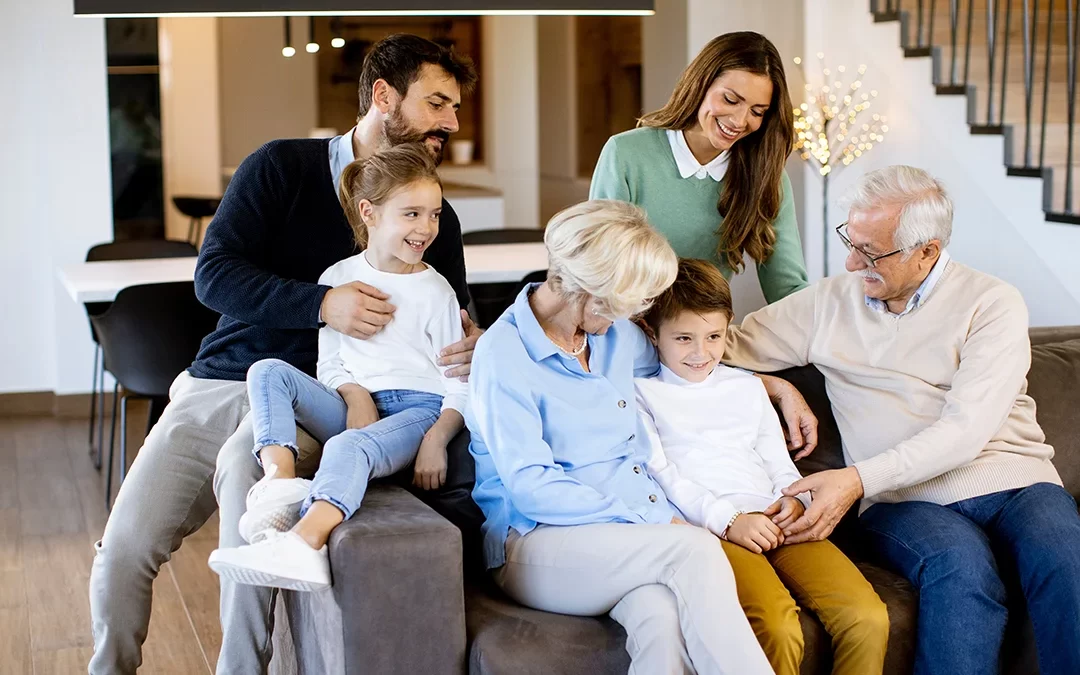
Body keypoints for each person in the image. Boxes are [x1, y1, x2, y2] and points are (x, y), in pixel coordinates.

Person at [88, 34, 481, 675]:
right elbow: (213, 276)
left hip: (323, 401)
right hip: (222, 377)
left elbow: (453, 322)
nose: (451, 123)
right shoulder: (280, 168)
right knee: (124, 547)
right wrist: (322, 304)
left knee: (249, 496)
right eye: (437, 103)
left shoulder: (434, 218)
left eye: (455, 109)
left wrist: (474, 345)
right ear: (383, 97)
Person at [722, 165, 1080, 675]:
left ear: (927, 252)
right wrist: (773, 384)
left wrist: (855, 479)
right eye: (851, 240)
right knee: (960, 568)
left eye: (870, 251)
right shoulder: (827, 303)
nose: (850, 262)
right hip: (904, 500)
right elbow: (712, 351)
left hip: (1014, 480)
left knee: (1067, 559)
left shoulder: (992, 302)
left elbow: (967, 430)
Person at [468, 199, 780, 675]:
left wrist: (772, 385)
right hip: (535, 542)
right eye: (627, 302)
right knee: (694, 549)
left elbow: (689, 362)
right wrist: (647, 519)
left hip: (624, 539)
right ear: (587, 289)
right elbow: (531, 488)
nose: (634, 316)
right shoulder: (503, 355)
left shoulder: (611, 336)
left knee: (662, 617)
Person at [207, 144, 466, 590]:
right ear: (369, 212)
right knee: (267, 371)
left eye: (435, 215)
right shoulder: (337, 277)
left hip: (418, 411)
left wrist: (437, 437)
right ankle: (278, 486)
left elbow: (459, 380)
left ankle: (304, 545)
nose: (426, 228)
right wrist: (355, 394)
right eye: (412, 214)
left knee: (346, 449)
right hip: (354, 405)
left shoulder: (436, 290)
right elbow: (330, 362)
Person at [636, 258, 889, 675]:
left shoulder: (746, 387)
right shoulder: (642, 395)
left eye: (714, 336)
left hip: (779, 517)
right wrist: (730, 520)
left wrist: (797, 500)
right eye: (684, 338)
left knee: (867, 617)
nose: (701, 353)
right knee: (777, 626)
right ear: (652, 333)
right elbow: (661, 475)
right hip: (713, 530)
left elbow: (778, 462)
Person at [590, 31, 808, 304]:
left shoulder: (766, 176)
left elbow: (786, 288)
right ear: (700, 84)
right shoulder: (626, 154)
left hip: (704, 338)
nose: (740, 121)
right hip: (626, 330)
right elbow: (600, 268)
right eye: (730, 100)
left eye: (757, 111)